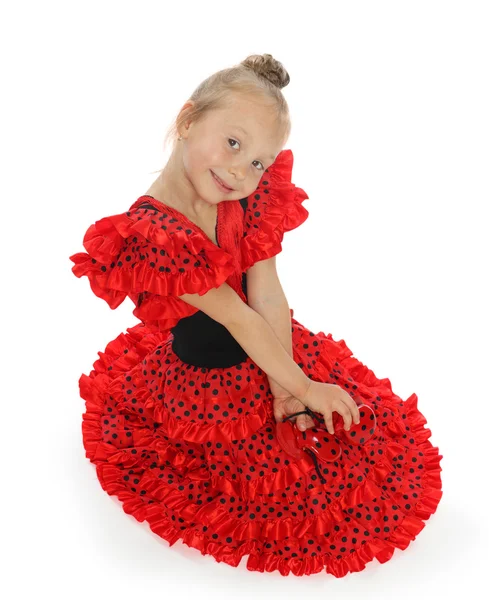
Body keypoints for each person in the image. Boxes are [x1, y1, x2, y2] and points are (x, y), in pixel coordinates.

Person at [69, 53, 443, 578]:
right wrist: (303, 389)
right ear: (187, 120)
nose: (241, 171)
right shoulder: (154, 234)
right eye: (233, 143)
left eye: (258, 162)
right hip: (211, 379)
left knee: (355, 441)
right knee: (271, 490)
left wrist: (288, 381)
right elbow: (238, 319)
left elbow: (265, 294)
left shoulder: (248, 198)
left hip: (271, 345)